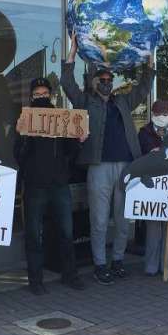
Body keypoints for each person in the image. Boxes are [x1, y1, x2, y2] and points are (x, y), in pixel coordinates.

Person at [61, 32, 154, 285]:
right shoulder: (84, 101)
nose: (106, 82)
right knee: (100, 220)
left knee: (123, 220)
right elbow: (67, 83)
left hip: (126, 167)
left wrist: (150, 56)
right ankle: (100, 263)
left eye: (109, 79)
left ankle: (118, 260)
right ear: (93, 82)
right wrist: (71, 53)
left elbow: (145, 87)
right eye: (101, 79)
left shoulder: (123, 101)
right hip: (98, 167)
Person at [14, 78, 87, 295]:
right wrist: (21, 134)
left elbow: (71, 152)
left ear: (51, 95)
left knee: (66, 232)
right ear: (31, 97)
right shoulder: (25, 121)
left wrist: (78, 139)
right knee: (34, 235)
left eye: (45, 93)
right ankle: (35, 280)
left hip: (59, 185)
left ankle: (70, 275)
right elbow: (18, 155)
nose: (41, 97)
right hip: (35, 186)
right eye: (37, 95)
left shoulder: (60, 119)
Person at [137, 100, 168, 276]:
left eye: (165, 114)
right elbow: (137, 157)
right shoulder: (144, 133)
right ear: (152, 114)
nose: (161, 117)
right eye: (158, 114)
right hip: (152, 184)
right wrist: (150, 155)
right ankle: (150, 266)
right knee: (153, 228)